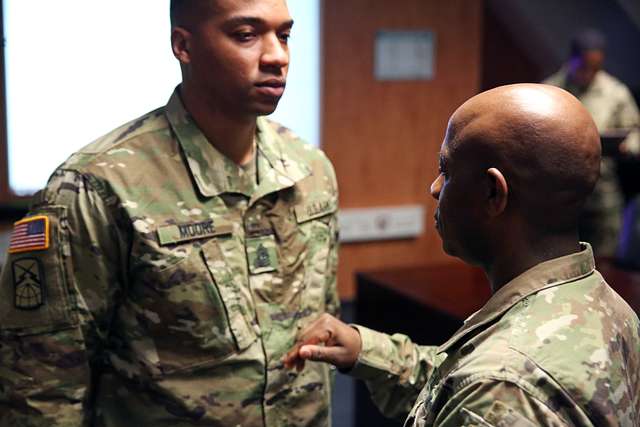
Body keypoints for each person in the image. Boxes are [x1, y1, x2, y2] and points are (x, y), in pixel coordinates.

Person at [0, 1, 340, 426]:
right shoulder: (95, 186)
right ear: (184, 45)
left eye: (284, 35)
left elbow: (323, 331)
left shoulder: (310, 170)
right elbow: (41, 389)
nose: (277, 55)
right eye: (246, 35)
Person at [285, 84, 640, 426]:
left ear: (492, 193)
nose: (435, 187)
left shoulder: (499, 389)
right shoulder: (608, 307)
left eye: (447, 170)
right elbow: (459, 381)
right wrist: (368, 350)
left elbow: (489, 385)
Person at [544, 28, 640, 257]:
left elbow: (636, 132)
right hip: (559, 194)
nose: (589, 73)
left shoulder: (614, 92)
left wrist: (628, 146)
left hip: (601, 193)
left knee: (604, 263)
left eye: (595, 68)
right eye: (584, 66)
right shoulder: (550, 89)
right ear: (573, 59)